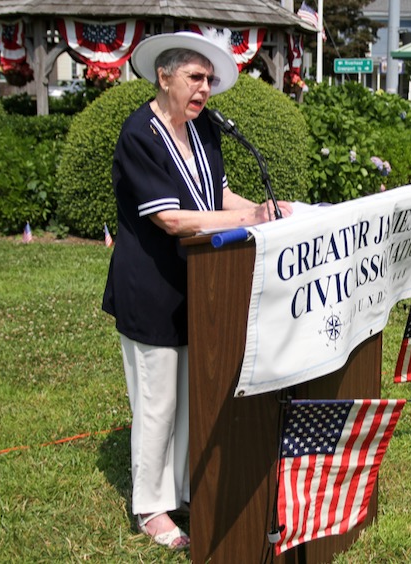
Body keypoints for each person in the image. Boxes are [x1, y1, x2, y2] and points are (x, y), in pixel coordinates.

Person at [102, 31, 293, 550]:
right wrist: (250, 217)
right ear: (164, 78)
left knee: (193, 397)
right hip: (152, 289)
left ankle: (184, 489)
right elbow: (169, 218)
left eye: (208, 79)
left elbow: (217, 194)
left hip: (202, 285)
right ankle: (150, 507)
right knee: (157, 402)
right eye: (195, 77)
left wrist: (268, 210)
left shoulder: (203, 125)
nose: (205, 88)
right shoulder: (139, 134)